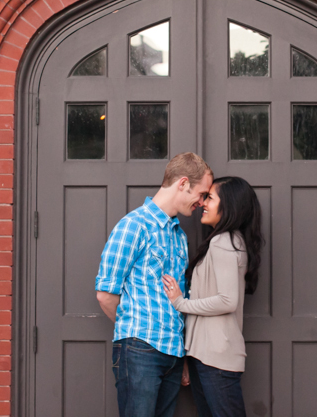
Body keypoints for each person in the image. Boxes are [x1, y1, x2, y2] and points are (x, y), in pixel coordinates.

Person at [95, 152, 214, 417]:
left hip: (172, 354)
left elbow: (177, 301)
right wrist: (137, 331)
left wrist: (180, 356)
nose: (202, 202)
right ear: (183, 183)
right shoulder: (133, 226)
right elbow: (105, 294)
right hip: (140, 351)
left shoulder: (179, 237)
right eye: (202, 193)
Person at [161, 176, 264, 417]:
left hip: (216, 359)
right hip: (206, 357)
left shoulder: (223, 241)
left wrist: (180, 303)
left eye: (210, 198)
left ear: (230, 205)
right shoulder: (225, 241)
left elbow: (228, 300)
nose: (203, 203)